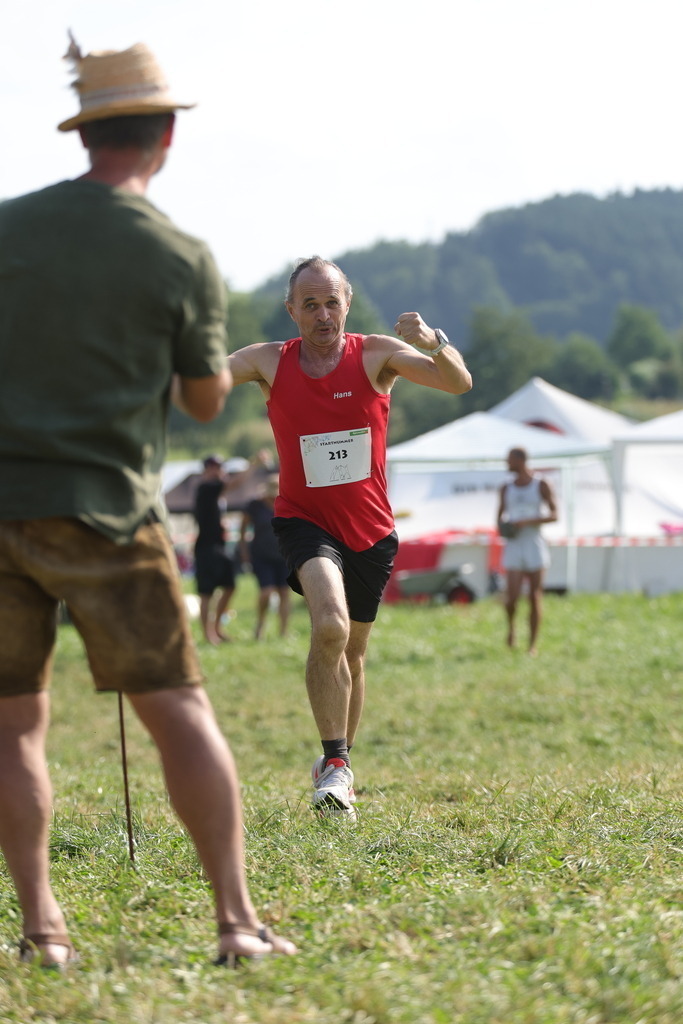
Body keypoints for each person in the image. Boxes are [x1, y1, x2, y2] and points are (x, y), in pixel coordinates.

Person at [0, 37, 295, 968]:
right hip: (106, 509)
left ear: (86, 132)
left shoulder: (7, 229)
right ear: (166, 135)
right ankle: (237, 924)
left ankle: (43, 931)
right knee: (178, 709)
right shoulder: (178, 254)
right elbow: (205, 401)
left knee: (12, 722)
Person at [227, 256, 472, 820]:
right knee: (331, 626)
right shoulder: (270, 361)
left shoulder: (377, 354)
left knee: (354, 654)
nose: (322, 314)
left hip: (371, 529)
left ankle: (339, 768)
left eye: (331, 301)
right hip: (303, 520)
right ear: (291, 310)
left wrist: (434, 341)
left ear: (348, 303)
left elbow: (457, 383)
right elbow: (209, 377)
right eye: (309, 304)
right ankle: (334, 763)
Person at [496, 447, 558, 655]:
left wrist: (528, 522)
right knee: (512, 596)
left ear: (521, 461)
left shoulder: (541, 484)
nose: (507, 464)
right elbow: (499, 518)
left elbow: (554, 514)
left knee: (534, 596)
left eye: (510, 460)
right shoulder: (506, 487)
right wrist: (506, 528)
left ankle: (532, 645)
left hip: (534, 543)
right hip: (514, 544)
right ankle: (511, 629)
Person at [193, 454, 240, 645]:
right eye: (214, 467)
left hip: (218, 547)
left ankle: (216, 629)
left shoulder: (215, 493)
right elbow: (235, 483)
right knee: (207, 593)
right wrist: (255, 464)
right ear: (206, 469)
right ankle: (208, 634)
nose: (219, 470)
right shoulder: (206, 487)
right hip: (206, 548)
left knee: (230, 586)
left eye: (220, 467)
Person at [239, 474, 292, 640]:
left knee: (284, 592)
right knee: (266, 592)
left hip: (284, 554)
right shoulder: (254, 506)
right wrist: (244, 552)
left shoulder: (286, 504)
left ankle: (284, 632)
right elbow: (243, 530)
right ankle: (260, 626)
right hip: (261, 555)